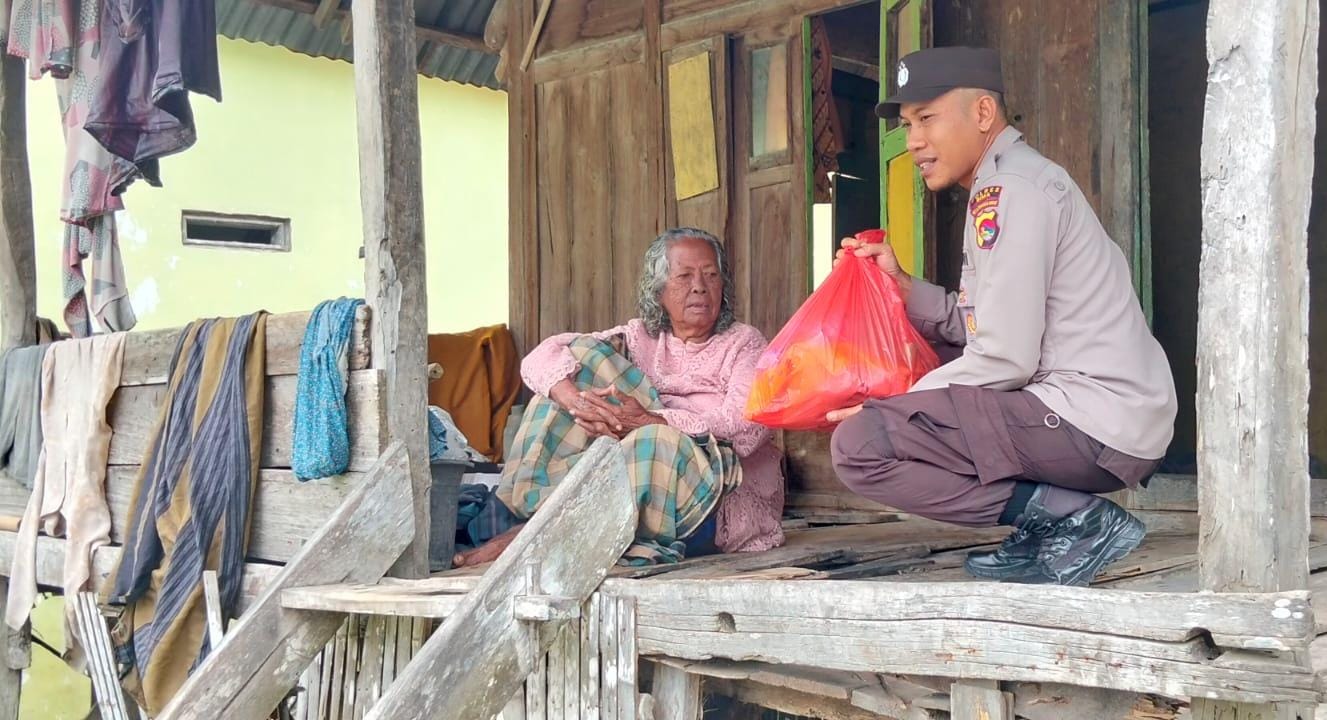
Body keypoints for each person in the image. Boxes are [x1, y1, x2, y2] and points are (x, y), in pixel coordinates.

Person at [829, 47, 1177, 587]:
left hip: (1096, 419)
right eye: (907, 125)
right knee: (925, 361)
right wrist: (901, 288)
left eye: (927, 118)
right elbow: (981, 328)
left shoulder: (1011, 190)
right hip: (1095, 413)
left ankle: (1073, 518)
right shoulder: (1004, 182)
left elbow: (1005, 358)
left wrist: (893, 407)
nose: (913, 140)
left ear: (983, 113)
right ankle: (1050, 522)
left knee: (861, 446)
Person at [453, 228, 785, 567]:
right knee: (577, 363)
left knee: (654, 440)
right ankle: (529, 512)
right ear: (658, 291)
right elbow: (541, 358)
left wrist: (650, 420)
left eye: (711, 275)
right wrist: (576, 401)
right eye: (684, 276)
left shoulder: (744, 343)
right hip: (634, 478)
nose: (699, 286)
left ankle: (536, 533)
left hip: (714, 497)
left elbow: (748, 427)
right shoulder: (639, 337)